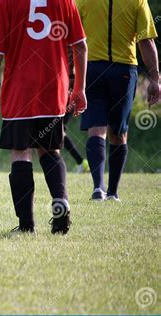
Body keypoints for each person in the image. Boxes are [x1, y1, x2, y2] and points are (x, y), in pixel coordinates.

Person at [0, 0, 87, 235]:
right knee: (50, 150)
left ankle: (26, 225)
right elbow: (80, 46)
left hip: (19, 90)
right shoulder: (65, 1)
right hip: (54, 88)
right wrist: (80, 88)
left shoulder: (5, 3)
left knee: (20, 151)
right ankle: (61, 200)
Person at [76, 0, 159, 201]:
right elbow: (146, 41)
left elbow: (73, 39)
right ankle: (112, 192)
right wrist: (155, 78)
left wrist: (70, 73)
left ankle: (98, 187)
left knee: (96, 129)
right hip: (123, 71)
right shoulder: (137, 1)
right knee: (119, 132)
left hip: (92, 69)